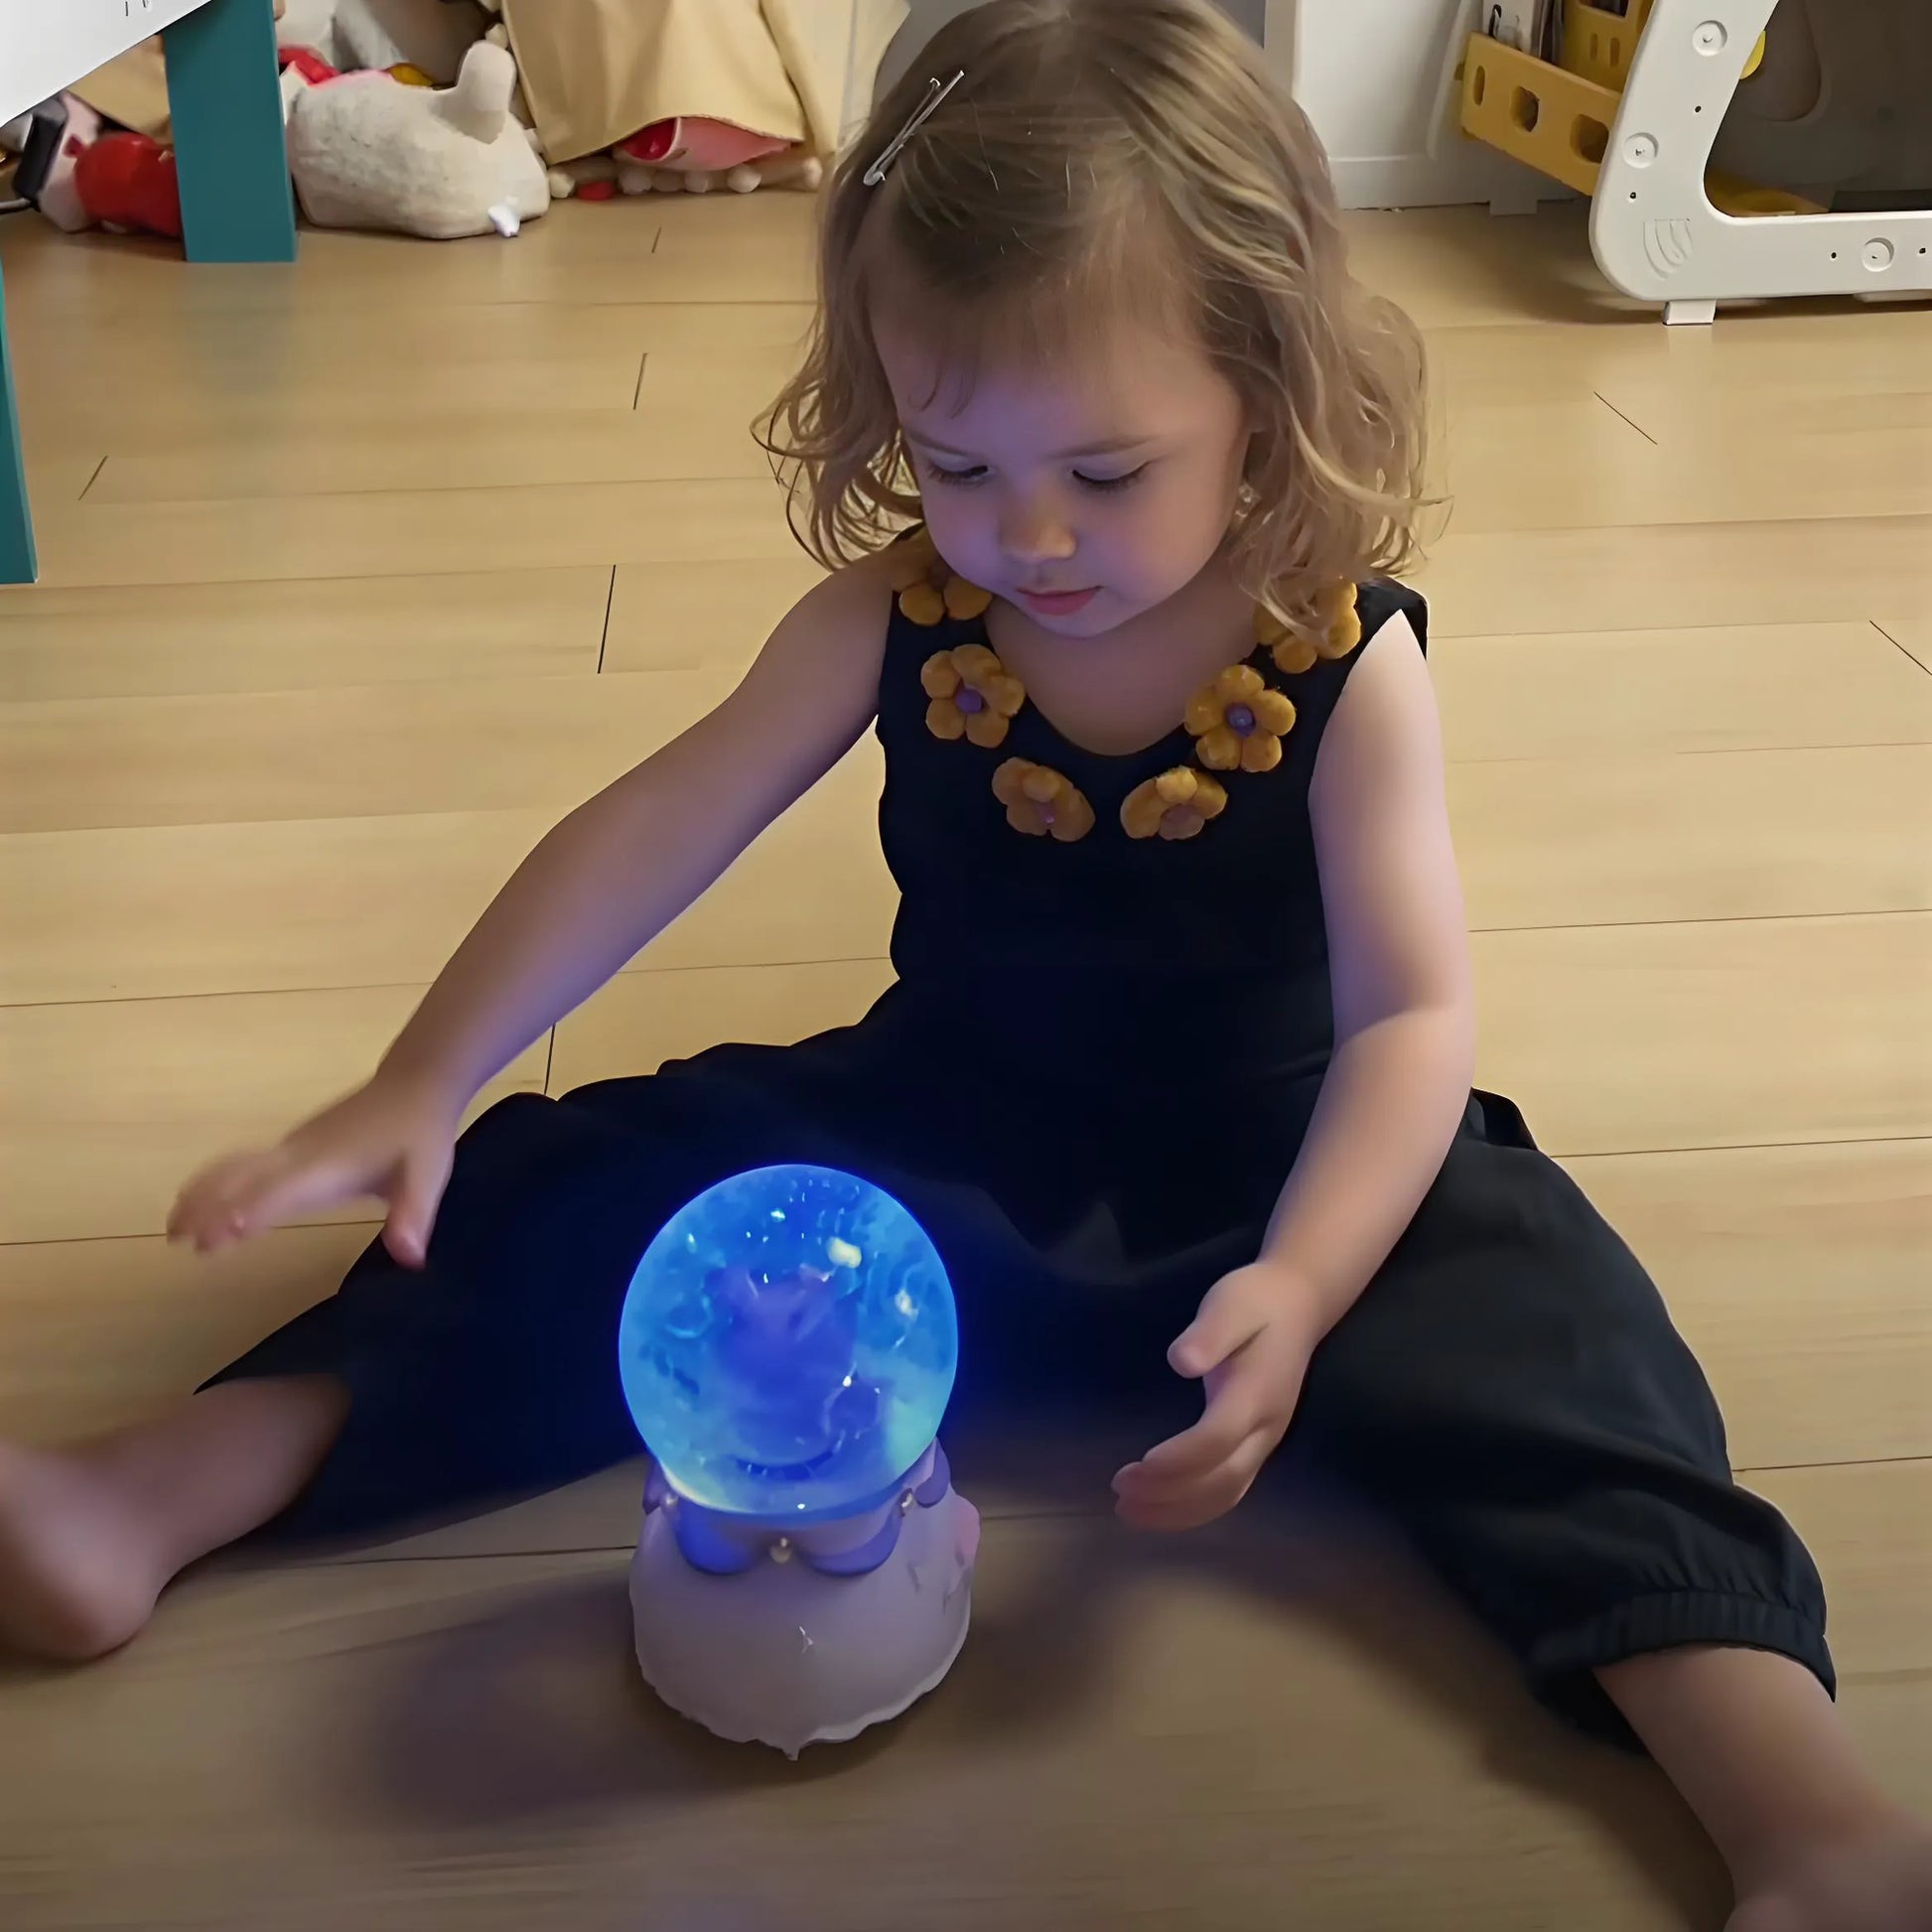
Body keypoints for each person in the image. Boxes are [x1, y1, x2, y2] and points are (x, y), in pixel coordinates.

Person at [2, 2, 1926, 1921]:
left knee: (1564, 1344)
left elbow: (1413, 1017)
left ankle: (1801, 1808)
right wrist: (419, 1080)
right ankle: (155, 1488)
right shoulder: (891, 621)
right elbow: (656, 824)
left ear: (1263, 388)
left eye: (1104, 473)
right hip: (937, 1137)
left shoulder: (1344, 658)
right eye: (954, 459)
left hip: (1290, 1160)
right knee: (563, 1181)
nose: (1024, 535)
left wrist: (1308, 1277)